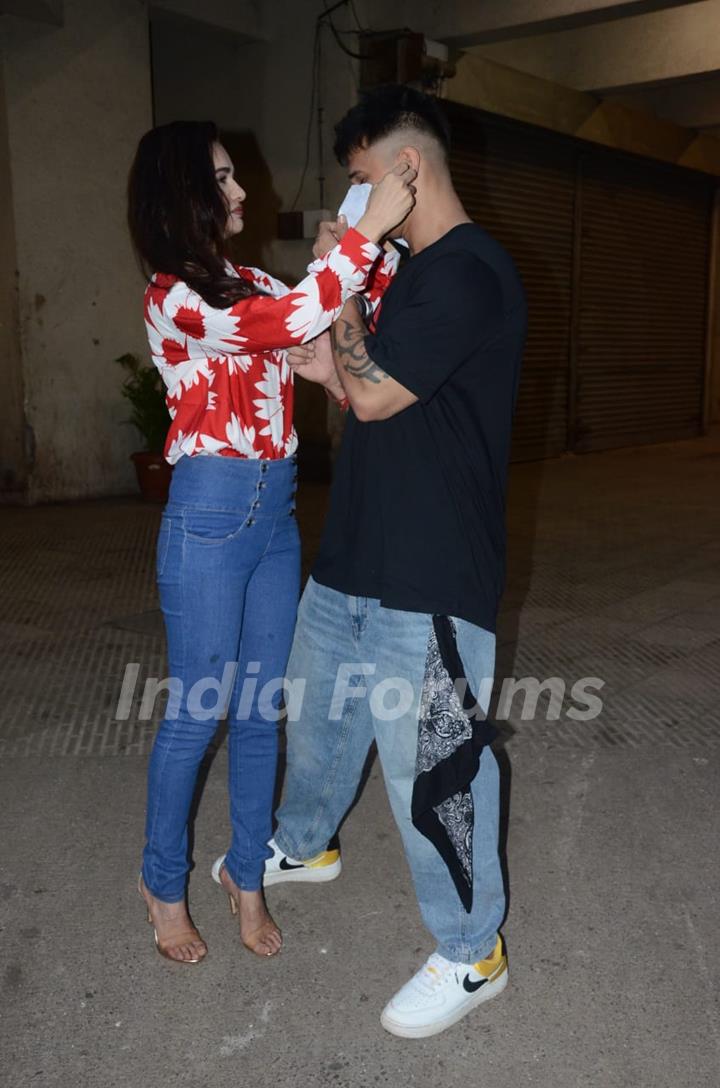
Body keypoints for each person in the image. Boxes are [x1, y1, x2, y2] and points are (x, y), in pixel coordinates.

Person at [215, 84, 526, 1034]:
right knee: (318, 726)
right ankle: (305, 847)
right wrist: (330, 372)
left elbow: (383, 394)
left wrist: (343, 287)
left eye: (357, 182)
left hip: (431, 575)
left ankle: (475, 954)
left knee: (434, 771)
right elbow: (368, 395)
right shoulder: (416, 275)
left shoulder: (468, 270)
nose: (347, 206)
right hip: (355, 552)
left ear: (405, 170)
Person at [126, 120, 414, 964]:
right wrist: (353, 241)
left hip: (275, 515)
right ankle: (162, 883)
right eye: (222, 179)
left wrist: (370, 243)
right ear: (182, 193)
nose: (243, 192)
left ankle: (245, 878)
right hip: (210, 515)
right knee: (198, 712)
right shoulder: (174, 297)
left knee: (260, 715)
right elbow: (287, 316)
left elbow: (319, 328)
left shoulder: (248, 278)